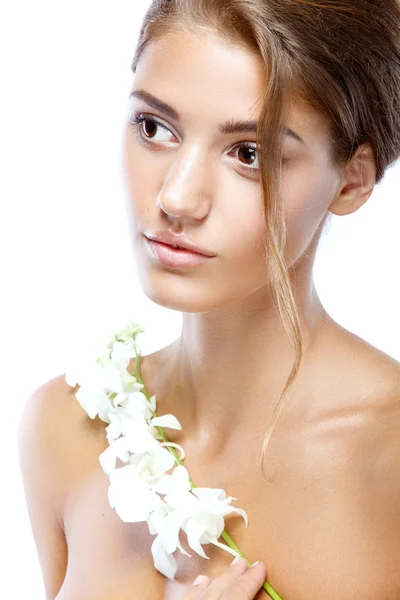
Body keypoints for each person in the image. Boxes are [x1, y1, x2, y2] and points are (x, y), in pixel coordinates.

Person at [18, 1, 400, 599]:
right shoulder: (64, 430)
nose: (176, 197)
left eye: (249, 153)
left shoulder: (389, 457)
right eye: (155, 128)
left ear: (352, 179)